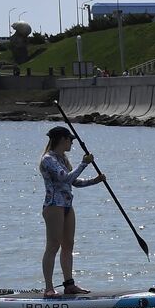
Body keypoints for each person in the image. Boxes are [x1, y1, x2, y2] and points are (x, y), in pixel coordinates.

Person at [39, 126, 104, 298]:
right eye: (70, 140)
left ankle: (69, 285)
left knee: (68, 245)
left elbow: (74, 182)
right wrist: (84, 163)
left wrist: (95, 180)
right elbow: (64, 177)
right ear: (62, 139)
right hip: (54, 206)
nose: (72, 143)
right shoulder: (48, 159)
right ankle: (49, 288)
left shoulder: (63, 159)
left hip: (67, 206)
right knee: (53, 246)